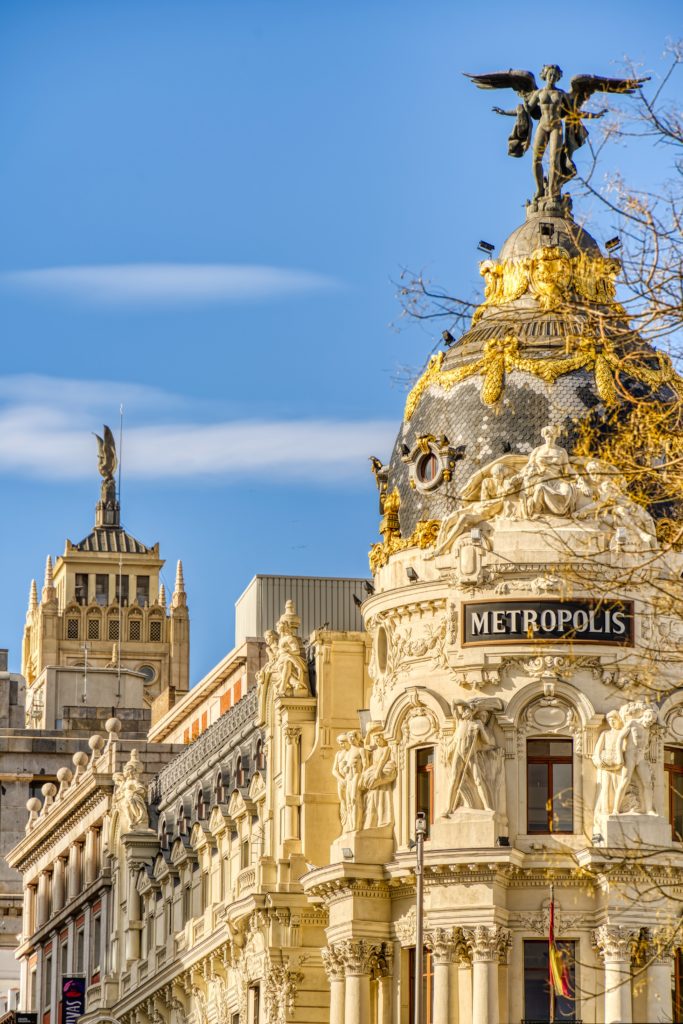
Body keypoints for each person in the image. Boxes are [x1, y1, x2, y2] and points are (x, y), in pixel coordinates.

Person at [445, 704, 496, 815]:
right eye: (464, 711)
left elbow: (488, 741)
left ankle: (487, 807)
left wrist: (481, 729)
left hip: (471, 755)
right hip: (458, 754)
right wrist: (469, 705)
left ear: (472, 713)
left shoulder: (476, 724)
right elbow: (454, 704)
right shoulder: (460, 722)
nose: (465, 713)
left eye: (468, 711)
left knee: (478, 780)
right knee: (454, 779)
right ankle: (448, 808)